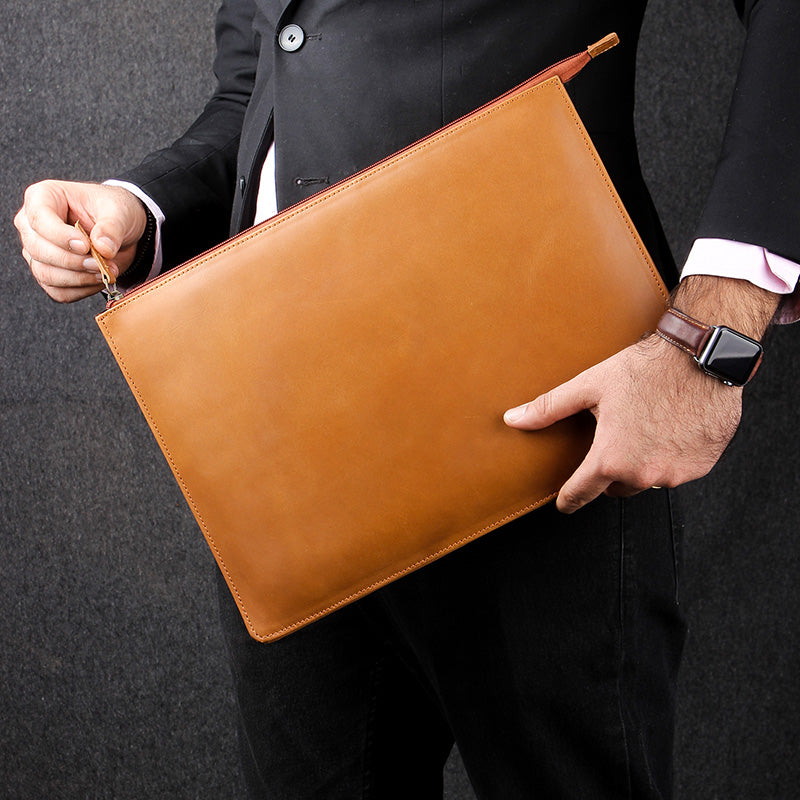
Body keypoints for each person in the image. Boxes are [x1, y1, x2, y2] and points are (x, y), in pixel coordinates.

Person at [13, 2, 800, 797]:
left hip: (548, 428)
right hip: (286, 457)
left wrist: (710, 340)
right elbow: (264, 88)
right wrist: (140, 208)